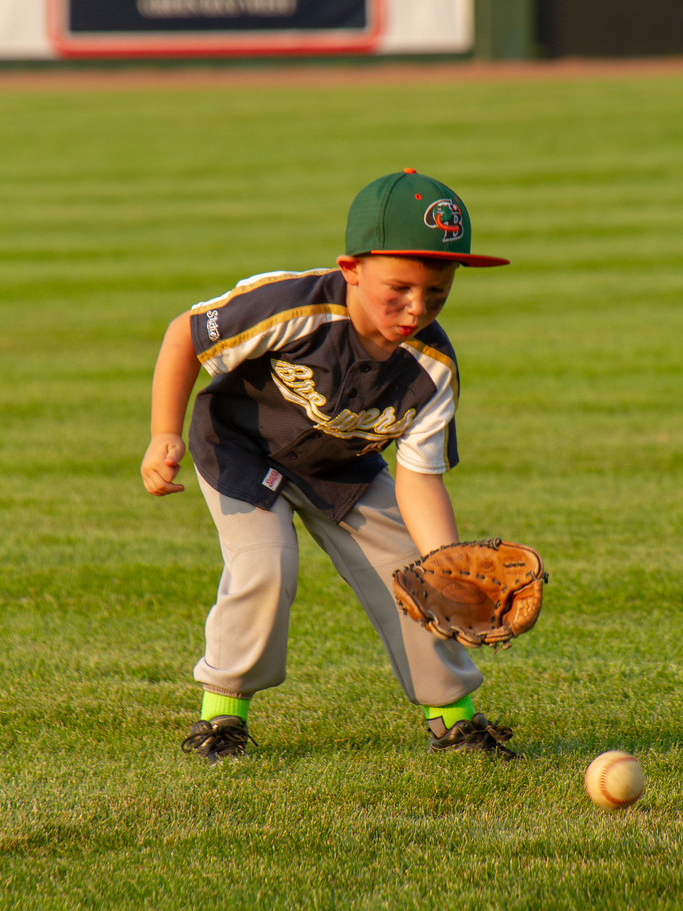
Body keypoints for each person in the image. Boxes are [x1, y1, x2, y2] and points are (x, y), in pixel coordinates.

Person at [141, 168, 519, 764]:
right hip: (241, 448)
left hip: (343, 468)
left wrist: (447, 567)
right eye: (399, 288)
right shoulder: (291, 306)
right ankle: (221, 720)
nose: (416, 308)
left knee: (415, 577)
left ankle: (454, 720)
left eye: (437, 293)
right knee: (265, 564)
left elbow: (420, 479)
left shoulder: (432, 366)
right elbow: (183, 337)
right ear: (352, 269)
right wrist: (164, 434)